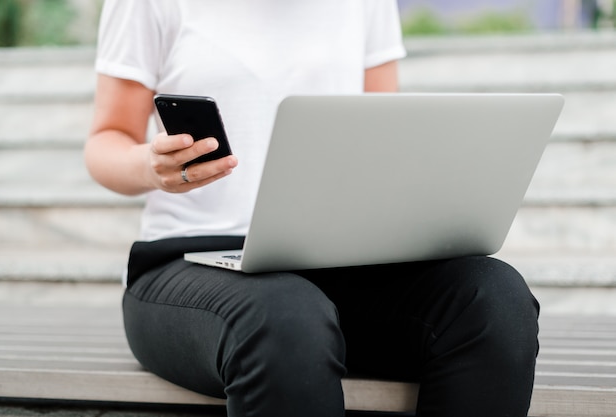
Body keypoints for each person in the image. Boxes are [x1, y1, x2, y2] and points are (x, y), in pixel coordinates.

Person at [85, 1, 540, 416]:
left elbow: (386, 136)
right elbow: (106, 142)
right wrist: (149, 164)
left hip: (332, 261)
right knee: (286, 316)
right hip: (187, 264)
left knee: (493, 298)